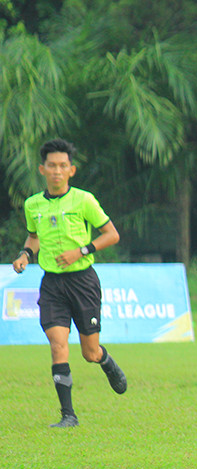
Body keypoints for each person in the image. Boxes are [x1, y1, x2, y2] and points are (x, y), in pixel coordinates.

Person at [11, 138, 127, 427]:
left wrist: (81, 251)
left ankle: (106, 361)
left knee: (89, 352)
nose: (57, 171)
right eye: (52, 166)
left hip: (83, 281)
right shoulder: (32, 205)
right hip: (52, 283)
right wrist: (25, 255)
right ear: (42, 169)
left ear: (71, 170)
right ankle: (68, 415)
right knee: (57, 344)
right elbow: (33, 237)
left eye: (63, 166)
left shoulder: (84, 200)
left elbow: (111, 235)